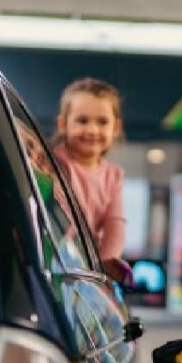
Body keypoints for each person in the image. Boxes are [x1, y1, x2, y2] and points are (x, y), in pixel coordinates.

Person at [52, 77, 126, 263]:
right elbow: (56, 216)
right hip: (57, 254)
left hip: (86, 263)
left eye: (102, 122)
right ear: (63, 125)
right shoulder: (53, 162)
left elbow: (114, 224)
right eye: (82, 121)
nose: (92, 130)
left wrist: (107, 262)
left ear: (115, 127)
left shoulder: (113, 175)